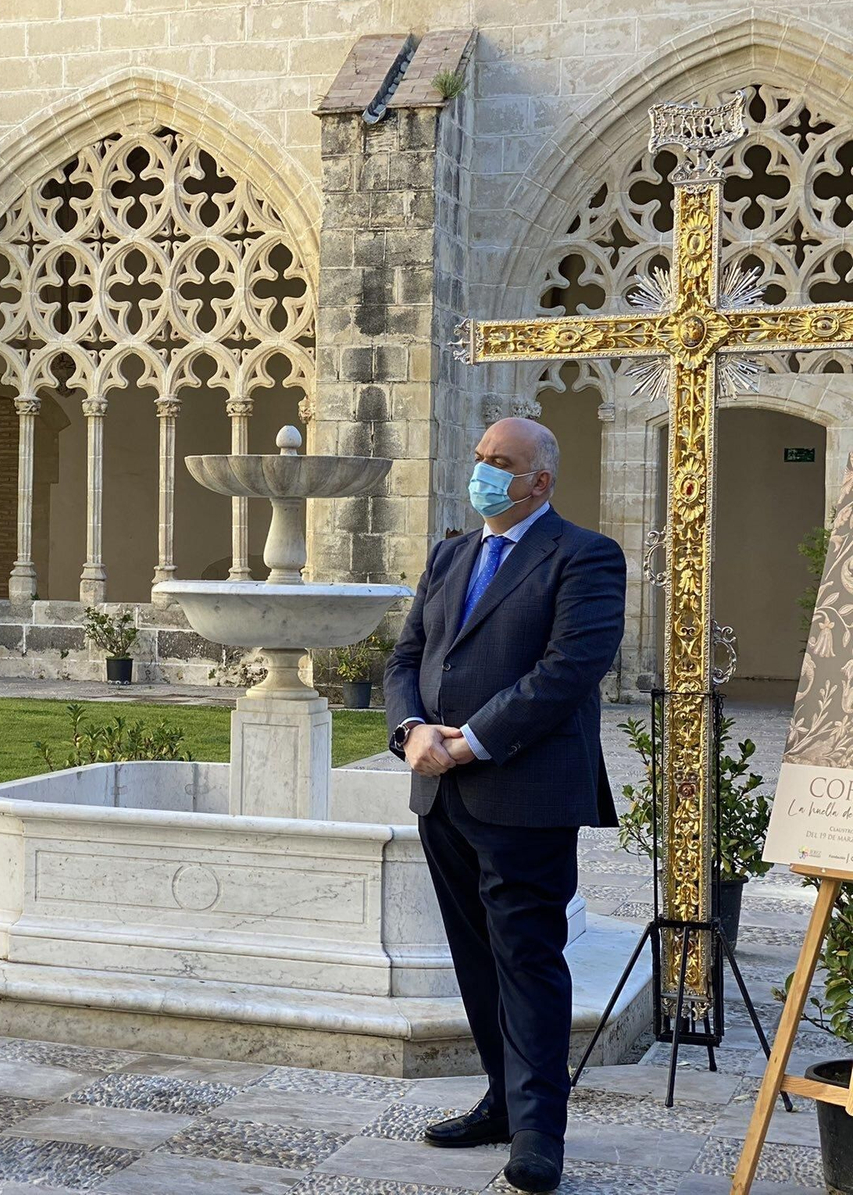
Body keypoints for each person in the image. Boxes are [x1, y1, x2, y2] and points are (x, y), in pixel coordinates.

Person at [384, 417, 625, 1193]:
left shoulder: (584, 556)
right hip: (441, 794)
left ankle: (538, 1133)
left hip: (525, 794)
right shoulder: (450, 554)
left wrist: (472, 741)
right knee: (476, 958)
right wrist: (411, 731)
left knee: (527, 958)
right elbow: (406, 657)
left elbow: (567, 670)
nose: (483, 471)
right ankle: (500, 1101)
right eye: (480, 456)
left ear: (539, 481)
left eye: (501, 462)